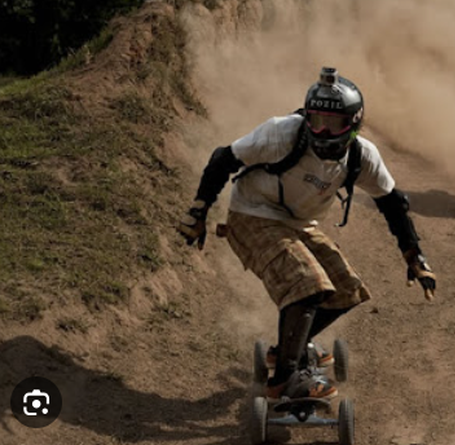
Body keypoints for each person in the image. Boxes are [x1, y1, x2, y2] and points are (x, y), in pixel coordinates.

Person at [177, 67, 437, 400]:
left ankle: (286, 349)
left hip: (298, 224)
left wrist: (414, 254)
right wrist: (199, 210)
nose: (322, 131)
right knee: (308, 285)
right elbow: (223, 159)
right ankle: (286, 379)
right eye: (316, 121)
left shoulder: (362, 156)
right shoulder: (281, 132)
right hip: (252, 215)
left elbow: (392, 202)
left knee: (347, 290)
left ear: (353, 124)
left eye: (333, 124)